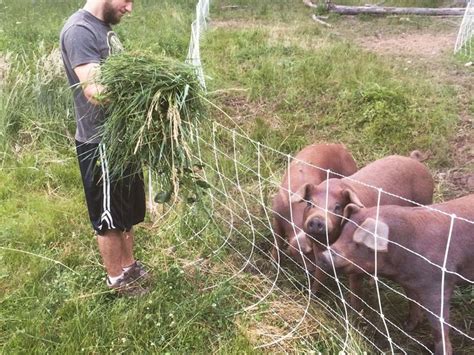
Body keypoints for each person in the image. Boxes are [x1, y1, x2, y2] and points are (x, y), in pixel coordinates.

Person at [60, 0, 149, 296]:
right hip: (100, 143)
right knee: (109, 217)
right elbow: (95, 91)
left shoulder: (103, 29)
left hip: (120, 139)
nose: (130, 9)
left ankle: (129, 267)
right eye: (127, 1)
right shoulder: (80, 31)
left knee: (126, 210)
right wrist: (145, 93)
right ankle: (117, 281)